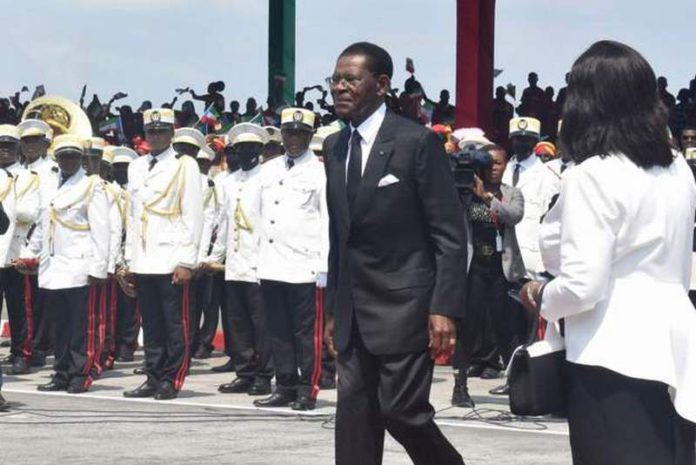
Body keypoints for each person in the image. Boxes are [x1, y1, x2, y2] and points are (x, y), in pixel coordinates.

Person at [522, 40, 696, 465]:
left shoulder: (593, 175)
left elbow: (583, 285)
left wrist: (539, 295)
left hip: (611, 348)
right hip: (677, 340)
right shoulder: (676, 167)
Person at [323, 42, 467, 465]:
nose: (339, 88)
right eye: (335, 79)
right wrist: (334, 307)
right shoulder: (333, 147)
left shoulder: (415, 142)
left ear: (382, 84)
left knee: (403, 412)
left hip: (405, 305)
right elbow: (340, 238)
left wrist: (444, 307)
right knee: (354, 419)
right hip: (353, 309)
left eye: (351, 79)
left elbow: (449, 234)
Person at [18, 134, 110, 393]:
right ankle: (61, 372)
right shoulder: (50, 184)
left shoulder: (93, 186)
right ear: (57, 159)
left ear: (81, 159)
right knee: (59, 326)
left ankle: (81, 373)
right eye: (63, 157)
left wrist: (98, 267)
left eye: (73, 156)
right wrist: (30, 252)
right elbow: (42, 223)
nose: (68, 161)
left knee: (82, 326)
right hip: (53, 268)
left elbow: (102, 230)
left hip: (80, 267)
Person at [122, 108, 203, 400]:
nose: (155, 137)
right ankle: (153, 375)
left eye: (161, 131)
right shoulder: (136, 166)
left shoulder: (185, 166)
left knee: (174, 323)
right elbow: (133, 217)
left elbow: (193, 216)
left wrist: (186, 261)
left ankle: (172, 378)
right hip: (144, 258)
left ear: (172, 134)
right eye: (150, 132)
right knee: (152, 324)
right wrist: (130, 261)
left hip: (171, 259)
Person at [253, 108, 328, 411]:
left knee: (306, 334)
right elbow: (259, 215)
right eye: (289, 133)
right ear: (281, 134)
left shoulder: (320, 171)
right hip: (272, 263)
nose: (294, 139)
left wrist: (323, 266)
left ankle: (307, 390)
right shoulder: (268, 169)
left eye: (301, 134)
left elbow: (326, 220)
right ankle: (283, 385)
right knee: (278, 331)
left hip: (304, 266)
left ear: (310, 136)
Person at [452, 141, 525, 408]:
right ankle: (460, 385)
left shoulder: (512, 193)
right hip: (474, 269)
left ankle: (517, 385)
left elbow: (513, 216)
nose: (494, 169)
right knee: (468, 330)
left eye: (499, 163)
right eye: (489, 163)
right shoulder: (465, 192)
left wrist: (487, 197)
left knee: (507, 330)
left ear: (506, 165)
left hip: (501, 269)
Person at [203, 124, 273, 396]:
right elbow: (224, 224)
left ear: (260, 150)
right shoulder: (229, 182)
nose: (246, 153)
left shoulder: (267, 179)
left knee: (261, 324)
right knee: (237, 323)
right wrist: (213, 257)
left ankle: (264, 375)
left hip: (258, 264)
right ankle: (245, 372)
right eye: (240, 149)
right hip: (233, 264)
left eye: (251, 148)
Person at [0, 125, 40, 375]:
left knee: (20, 309)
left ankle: (21, 354)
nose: (5, 151)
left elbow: (28, 213)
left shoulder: (27, 177)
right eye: (1, 146)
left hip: (15, 250)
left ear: (18, 150)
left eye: (10, 147)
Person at [18, 119, 58, 368]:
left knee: (38, 300)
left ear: (46, 143)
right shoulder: (15, 170)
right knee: (20, 301)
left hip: (39, 241)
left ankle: (39, 347)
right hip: (12, 243)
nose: (30, 146)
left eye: (36, 141)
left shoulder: (52, 170)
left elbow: (47, 211)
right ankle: (22, 346)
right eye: (26, 141)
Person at [108, 146, 140, 362]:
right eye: (117, 167)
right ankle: (111, 345)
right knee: (110, 306)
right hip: (112, 252)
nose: (120, 171)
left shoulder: (138, 191)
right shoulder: (106, 189)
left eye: (124, 167)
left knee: (130, 304)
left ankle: (127, 346)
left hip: (132, 252)